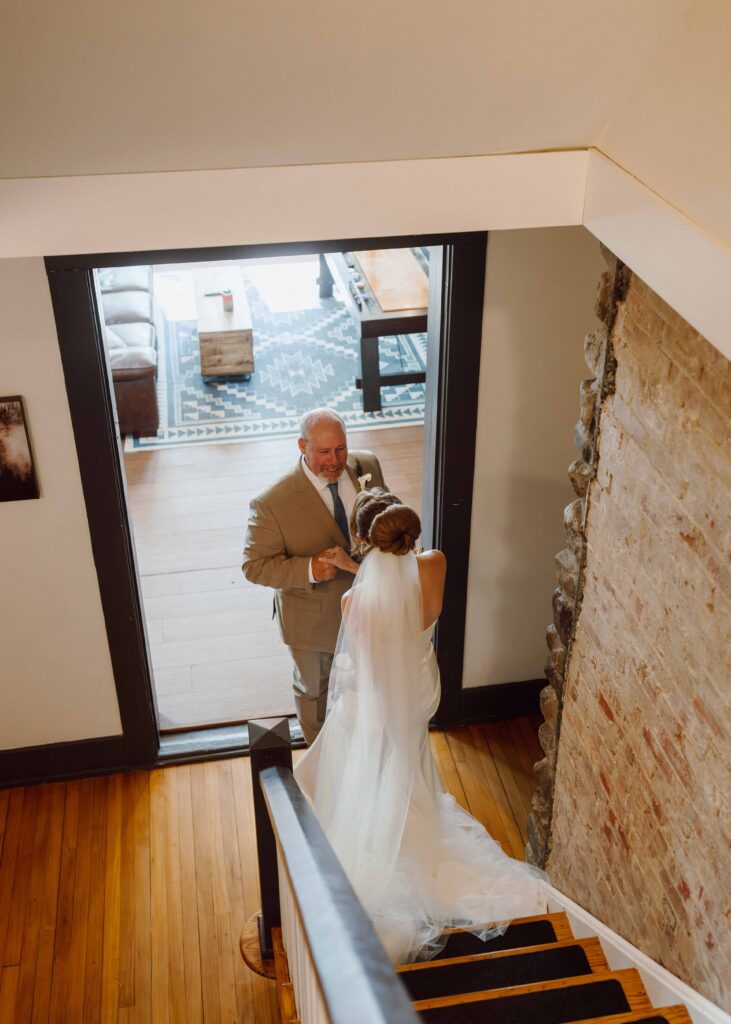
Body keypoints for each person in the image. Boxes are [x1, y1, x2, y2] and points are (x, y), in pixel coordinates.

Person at [295, 492, 547, 965]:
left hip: (388, 696)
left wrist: (345, 681)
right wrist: (361, 566)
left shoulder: (355, 604)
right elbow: (403, 595)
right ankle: (412, 809)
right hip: (421, 687)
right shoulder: (434, 562)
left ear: (364, 541)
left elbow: (370, 672)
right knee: (409, 755)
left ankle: (392, 832)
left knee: (371, 757)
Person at [242, 409, 386, 745]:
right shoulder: (271, 503)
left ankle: (365, 750)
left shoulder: (368, 466)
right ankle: (321, 762)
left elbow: (386, 517)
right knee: (315, 692)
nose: (335, 461)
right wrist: (308, 568)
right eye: (323, 452)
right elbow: (254, 566)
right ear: (302, 446)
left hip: (371, 606)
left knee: (372, 682)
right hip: (312, 620)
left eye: (340, 449)